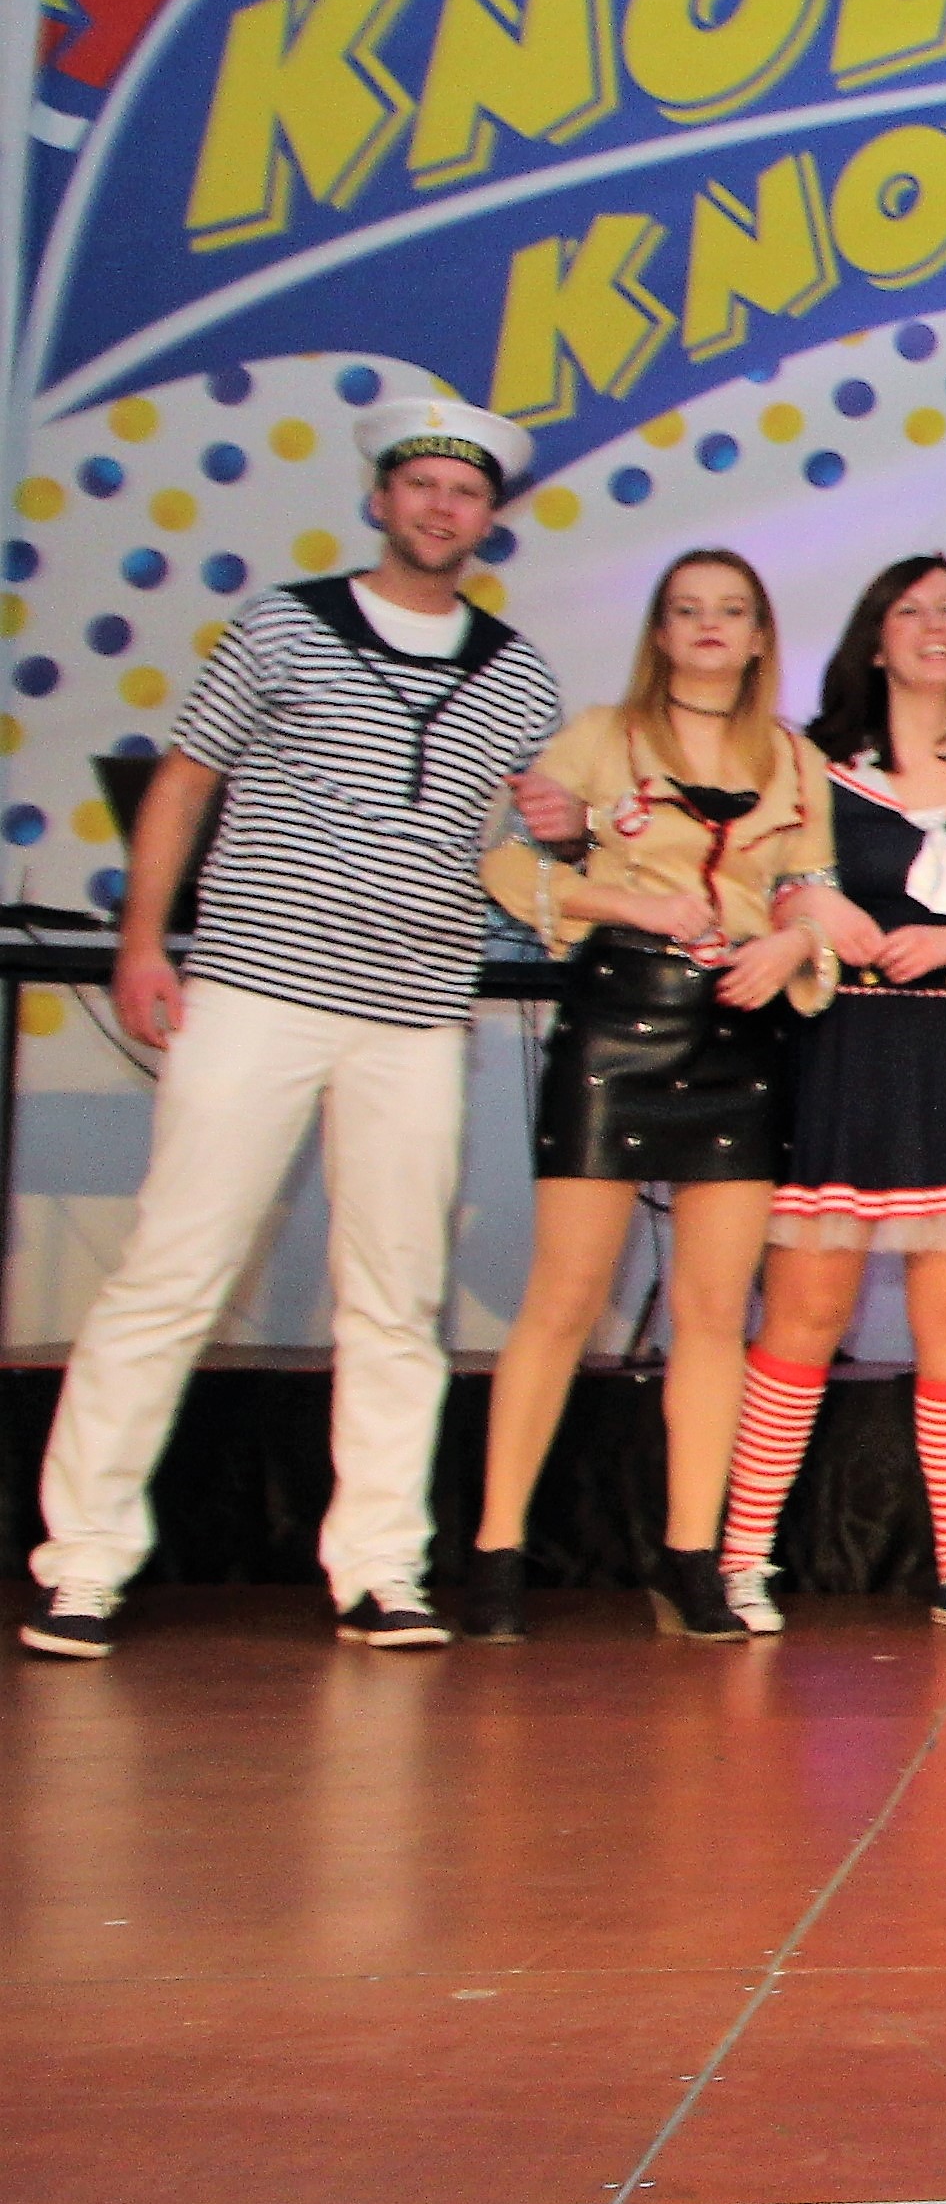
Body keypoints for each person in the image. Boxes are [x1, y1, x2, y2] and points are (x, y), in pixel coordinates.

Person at [23, 402, 567, 1660]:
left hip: (415, 1016)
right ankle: (83, 1563)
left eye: (464, 493)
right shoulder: (281, 622)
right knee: (173, 1271)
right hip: (257, 990)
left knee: (396, 1296)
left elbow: (530, 842)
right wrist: (142, 941)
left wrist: (568, 826)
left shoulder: (518, 673)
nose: (441, 508)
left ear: (489, 521)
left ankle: (379, 1569)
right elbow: (186, 779)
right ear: (380, 500)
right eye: (421, 485)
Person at [713, 556, 946, 1636]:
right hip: (845, 1055)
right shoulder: (812, 767)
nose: (935, 627)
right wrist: (811, 911)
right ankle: (740, 1560)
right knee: (803, 1317)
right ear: (874, 641)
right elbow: (753, 880)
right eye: (911, 611)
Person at [468, 548, 831, 1644]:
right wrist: (624, 905)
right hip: (616, 1021)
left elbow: (813, 895)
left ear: (760, 636)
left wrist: (792, 946)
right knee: (565, 1296)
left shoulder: (795, 759)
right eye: (688, 610)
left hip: (740, 1038)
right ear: (661, 633)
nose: (710, 626)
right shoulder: (600, 736)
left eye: (732, 610)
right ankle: (495, 1551)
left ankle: (690, 1557)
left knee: (714, 1311)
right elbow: (505, 863)